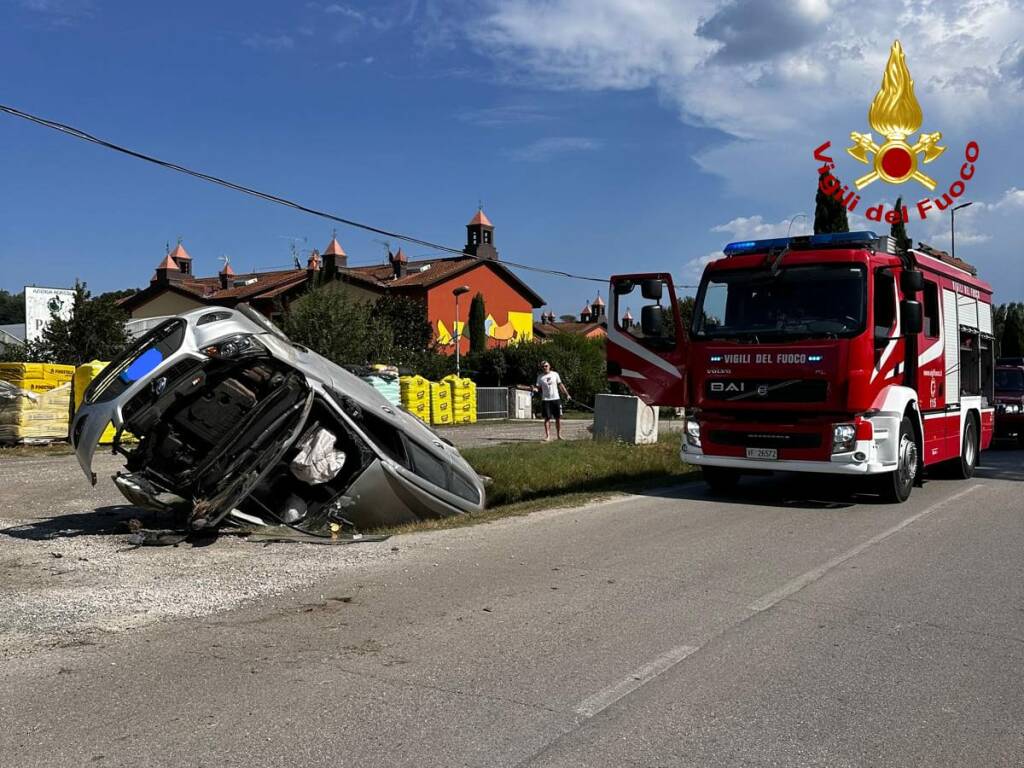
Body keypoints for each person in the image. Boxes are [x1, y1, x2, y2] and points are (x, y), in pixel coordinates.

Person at [533, 360, 569, 441]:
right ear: (541, 368)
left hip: (556, 399)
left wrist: (567, 394)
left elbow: (560, 385)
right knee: (547, 418)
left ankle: (559, 436)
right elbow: (537, 388)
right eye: (543, 366)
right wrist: (535, 389)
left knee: (558, 418)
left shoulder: (555, 374)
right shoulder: (540, 377)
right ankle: (548, 436)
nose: (545, 367)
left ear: (549, 366)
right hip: (546, 400)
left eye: (546, 366)